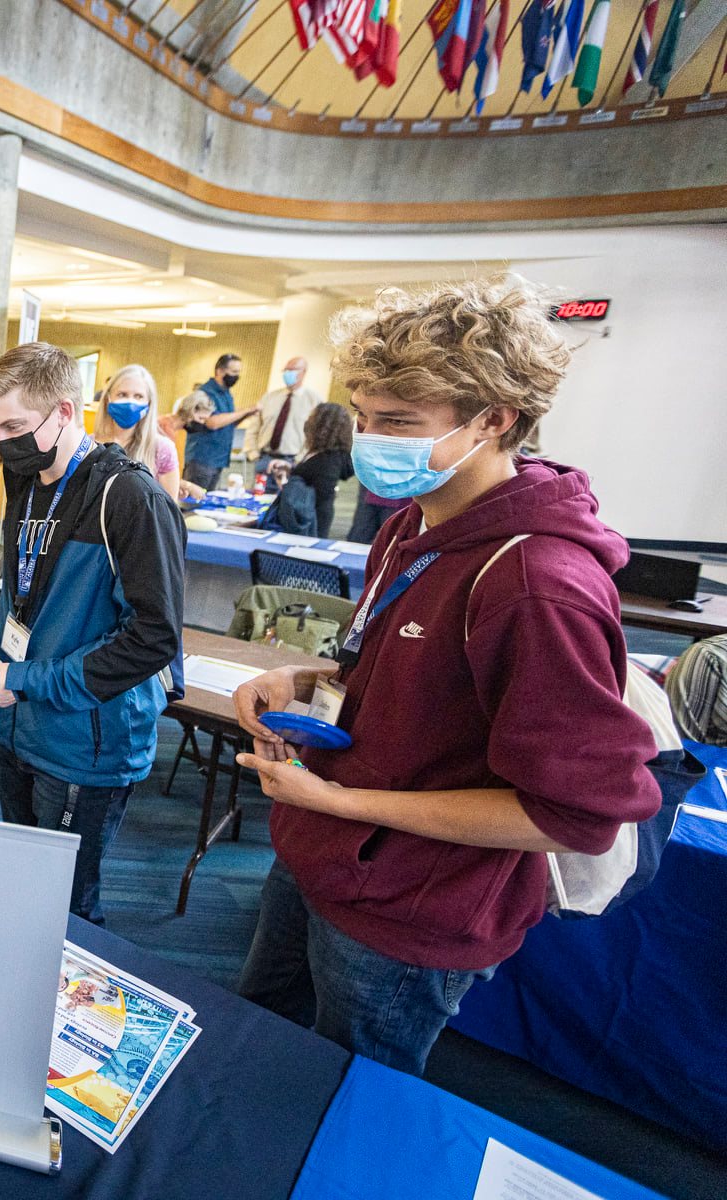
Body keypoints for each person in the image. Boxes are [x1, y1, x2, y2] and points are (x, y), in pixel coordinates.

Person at [230, 279, 662, 1075]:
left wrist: (340, 802)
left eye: (396, 422)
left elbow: (568, 817)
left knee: (342, 1103)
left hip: (407, 914)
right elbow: (401, 667)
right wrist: (301, 676)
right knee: (257, 1052)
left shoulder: (539, 584)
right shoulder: (412, 522)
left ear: (495, 419)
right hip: (317, 854)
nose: (369, 440)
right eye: (362, 415)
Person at [0, 343, 186, 924]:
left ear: (64, 412)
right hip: (16, 724)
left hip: (85, 745)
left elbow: (153, 638)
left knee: (67, 905)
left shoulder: (129, 496)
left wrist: (26, 680)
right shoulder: (27, 479)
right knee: (23, 882)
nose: (4, 442)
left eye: (15, 425)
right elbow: (26, 597)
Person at [92, 363, 203, 503]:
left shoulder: (162, 449)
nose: (130, 402)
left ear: (149, 403)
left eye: (138, 396)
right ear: (108, 399)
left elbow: (166, 513)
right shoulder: (89, 446)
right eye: (122, 394)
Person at [180, 352, 258, 492]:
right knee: (192, 502)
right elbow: (212, 422)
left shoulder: (227, 394)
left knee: (208, 503)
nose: (236, 376)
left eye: (238, 372)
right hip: (202, 459)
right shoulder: (206, 393)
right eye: (233, 371)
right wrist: (244, 410)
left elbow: (228, 423)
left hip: (219, 459)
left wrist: (246, 415)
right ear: (220, 371)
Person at [244, 356, 324, 480]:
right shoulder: (269, 397)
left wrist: (300, 460)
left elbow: (319, 435)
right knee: (261, 497)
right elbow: (254, 427)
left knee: (288, 498)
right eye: (286, 370)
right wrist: (253, 454)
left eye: (293, 370)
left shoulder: (314, 400)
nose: (288, 373)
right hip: (264, 459)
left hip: (294, 462)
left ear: (304, 372)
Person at [289, 402, 356, 538]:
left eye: (311, 418)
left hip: (311, 523)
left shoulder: (328, 461)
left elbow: (319, 496)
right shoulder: (321, 453)